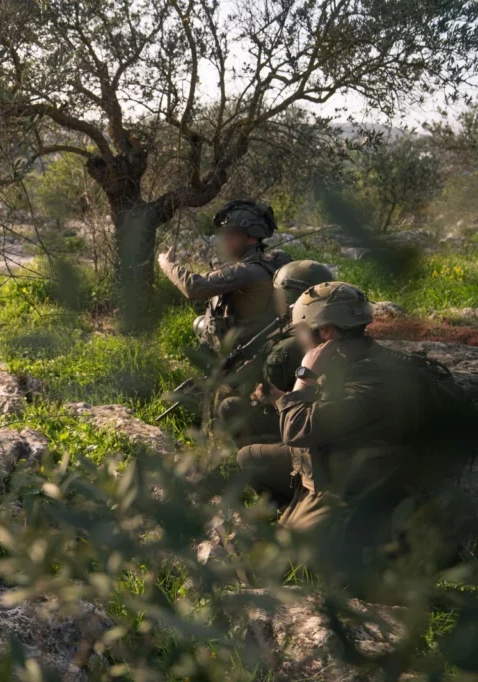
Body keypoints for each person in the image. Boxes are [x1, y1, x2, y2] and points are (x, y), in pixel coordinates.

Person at [244, 282, 468, 553]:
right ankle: (298, 509)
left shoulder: (371, 382)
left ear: (325, 331)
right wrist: (282, 395)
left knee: (285, 559)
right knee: (249, 459)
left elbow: (296, 430)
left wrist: (304, 375)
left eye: (304, 330)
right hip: (328, 463)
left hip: (357, 489)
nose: (300, 338)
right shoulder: (349, 357)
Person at [218, 260, 334, 447]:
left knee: (229, 407)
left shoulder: (288, 346)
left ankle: (257, 458)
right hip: (322, 413)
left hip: (301, 424)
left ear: (289, 298)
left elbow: (266, 393)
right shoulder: (327, 327)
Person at [158, 200, 293, 354]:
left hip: (245, 347)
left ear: (251, 237)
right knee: (200, 323)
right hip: (258, 337)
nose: (225, 239)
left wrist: (166, 264)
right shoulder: (268, 261)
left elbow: (194, 287)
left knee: (202, 326)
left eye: (231, 234)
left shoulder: (248, 270)